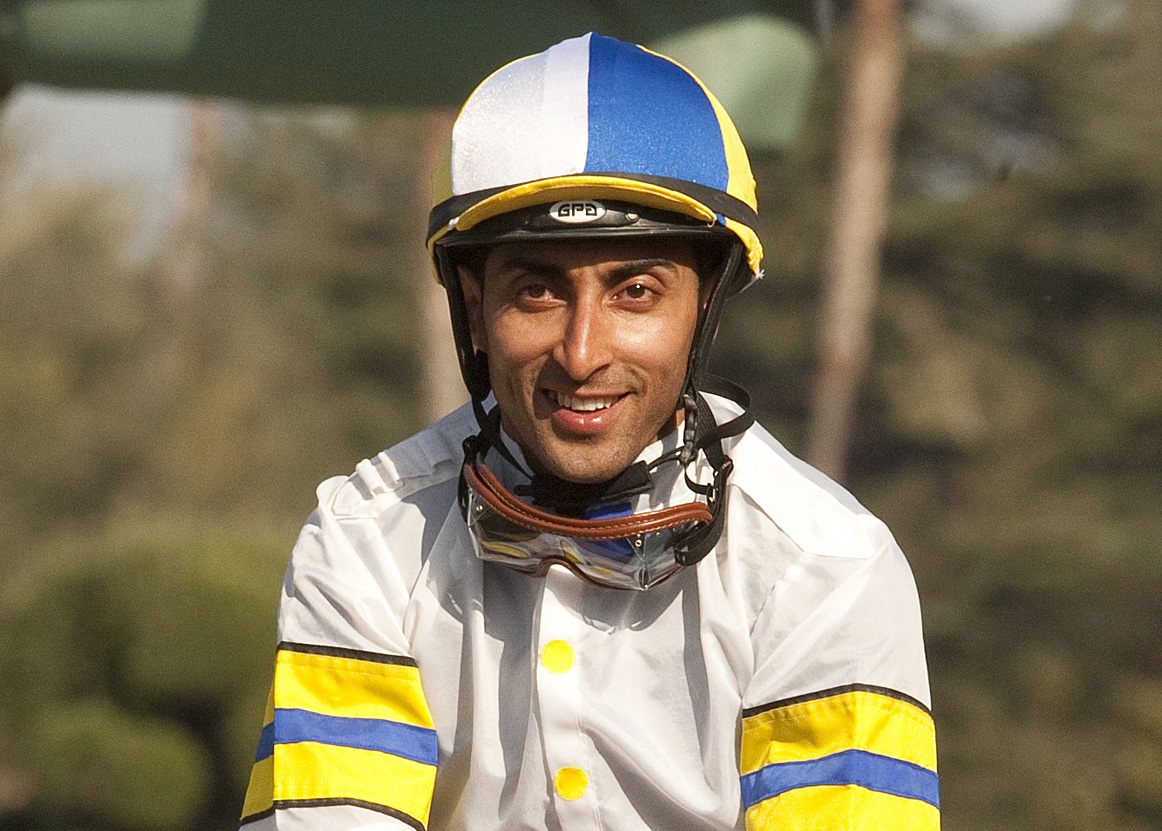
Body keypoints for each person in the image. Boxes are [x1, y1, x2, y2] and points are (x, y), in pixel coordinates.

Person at [240, 32, 939, 831]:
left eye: (635, 291)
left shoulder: (828, 566)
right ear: (473, 306)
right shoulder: (364, 539)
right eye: (536, 291)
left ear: (705, 303)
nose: (581, 353)